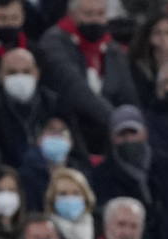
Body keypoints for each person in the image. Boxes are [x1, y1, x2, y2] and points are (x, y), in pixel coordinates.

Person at [90, 105, 168, 239]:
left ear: (145, 133)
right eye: (122, 134)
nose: (128, 140)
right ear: (112, 138)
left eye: (133, 133)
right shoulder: (102, 175)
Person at [37, 0, 139, 153]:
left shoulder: (113, 50)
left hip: (109, 133)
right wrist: (118, 122)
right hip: (72, 127)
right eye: (88, 14)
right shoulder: (53, 42)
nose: (95, 20)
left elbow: (128, 95)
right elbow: (74, 88)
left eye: (100, 14)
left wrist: (132, 122)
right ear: (72, 15)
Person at [43, 165, 96, 239]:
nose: (70, 198)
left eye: (76, 193)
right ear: (52, 199)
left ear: (85, 197)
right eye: (63, 194)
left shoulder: (99, 227)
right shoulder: (44, 232)